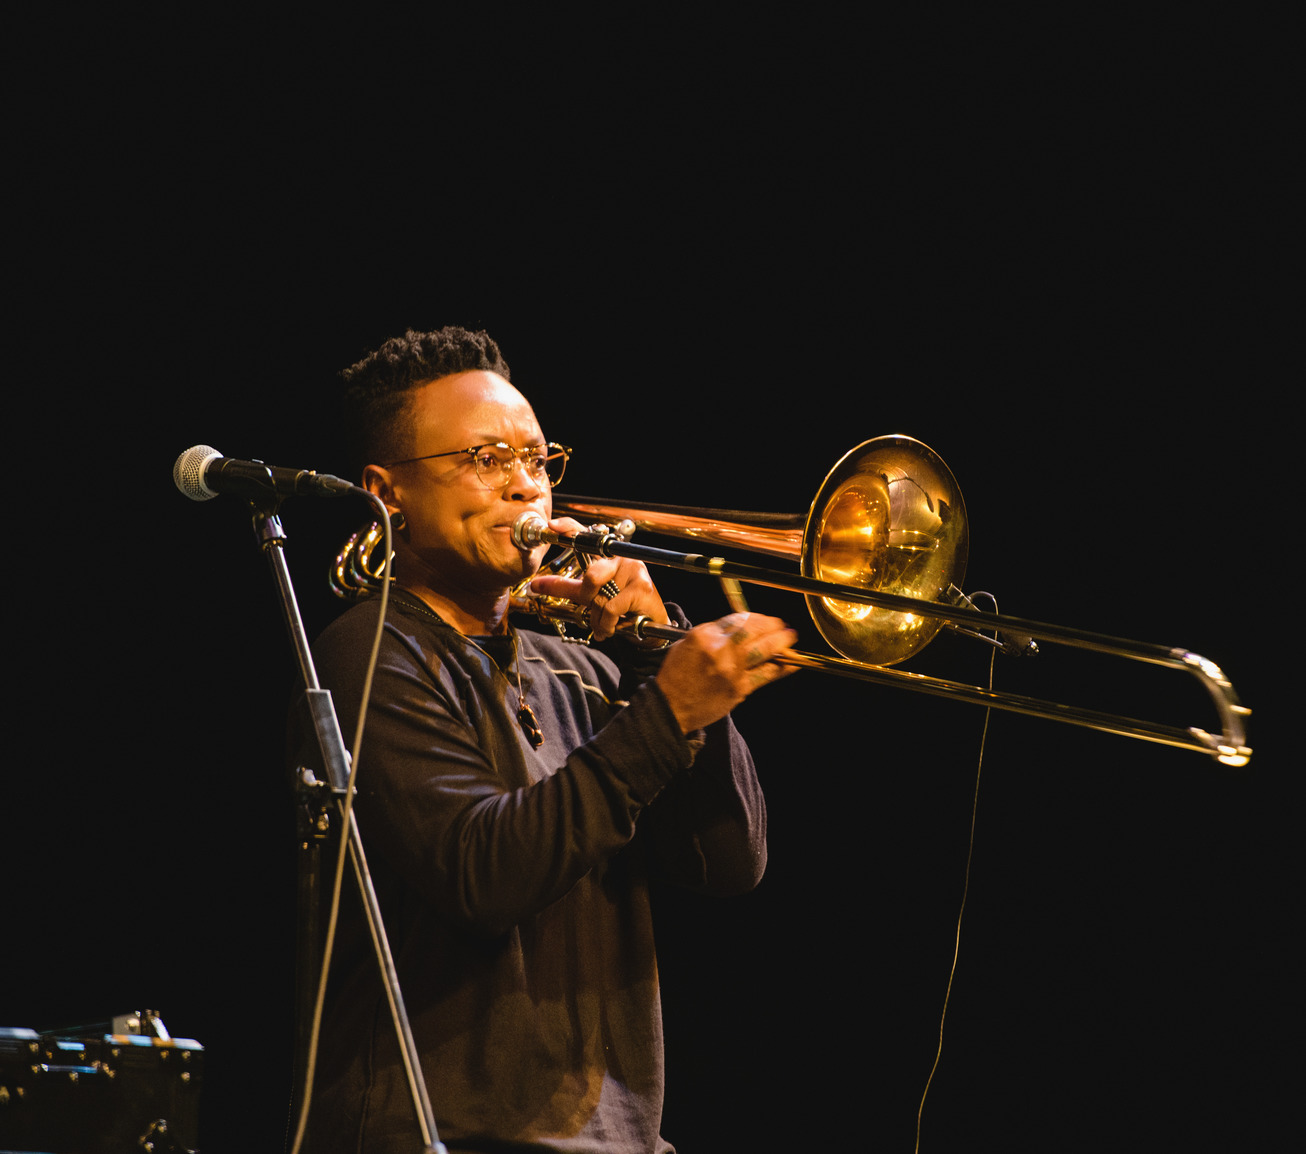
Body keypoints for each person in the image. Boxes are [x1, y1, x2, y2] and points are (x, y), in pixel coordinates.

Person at [295, 326, 796, 1153]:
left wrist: (650, 655)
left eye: (535, 459)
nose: (524, 487)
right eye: (484, 460)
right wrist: (666, 712)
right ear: (386, 495)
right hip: (441, 1137)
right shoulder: (368, 651)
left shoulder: (585, 669)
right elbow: (482, 875)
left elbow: (727, 862)